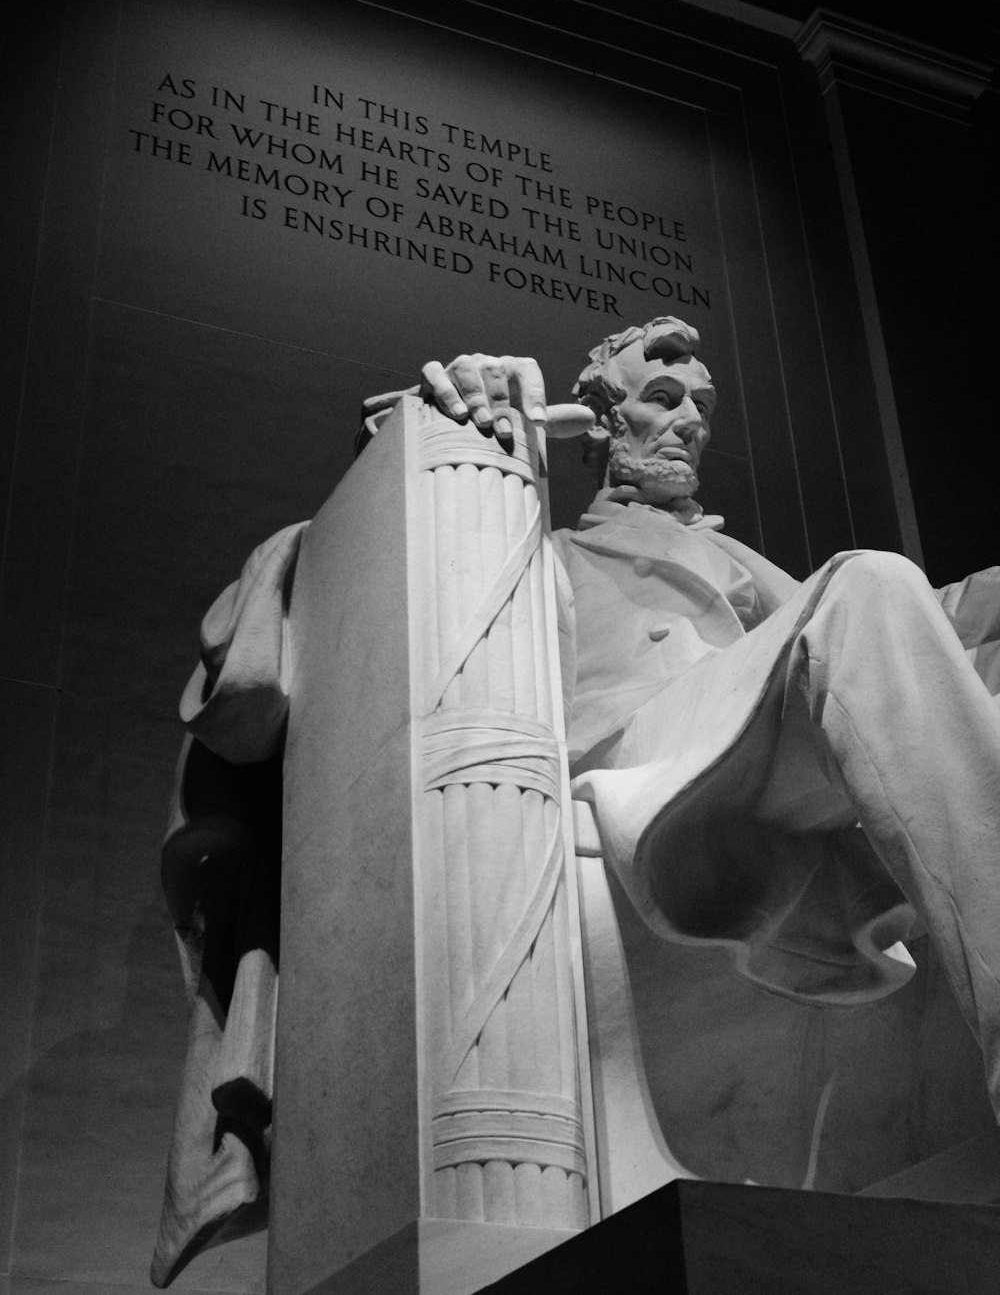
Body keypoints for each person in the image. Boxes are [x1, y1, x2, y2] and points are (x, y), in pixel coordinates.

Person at [152, 315, 1000, 1282]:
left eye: (704, 410)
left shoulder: (764, 574)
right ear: (595, 422)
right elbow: (317, 605)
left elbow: (934, 625)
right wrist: (430, 422)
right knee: (871, 587)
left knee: (914, 617)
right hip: (639, 763)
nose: (691, 426)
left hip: (764, 752)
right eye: (664, 399)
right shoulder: (541, 545)